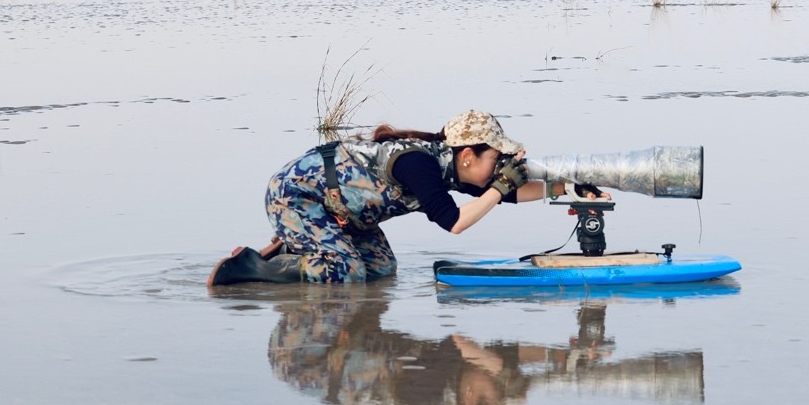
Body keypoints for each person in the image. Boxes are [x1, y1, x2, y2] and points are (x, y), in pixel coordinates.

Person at [208, 109, 605, 285]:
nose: (500, 168)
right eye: (496, 159)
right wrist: (499, 187)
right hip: (296, 196)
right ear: (468, 155)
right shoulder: (420, 165)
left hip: (343, 213)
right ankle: (252, 268)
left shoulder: (450, 166)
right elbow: (455, 223)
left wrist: (568, 188)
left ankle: (293, 248)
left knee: (381, 271)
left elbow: (511, 196)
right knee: (347, 273)